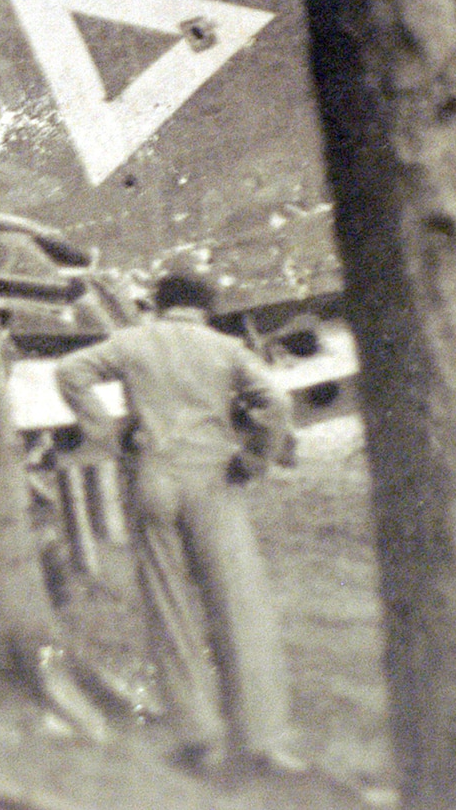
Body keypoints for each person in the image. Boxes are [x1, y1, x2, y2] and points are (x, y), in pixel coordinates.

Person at [54, 267, 302, 776]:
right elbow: (275, 401)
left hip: (154, 477)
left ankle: (199, 737)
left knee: (170, 608)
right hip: (213, 477)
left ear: (158, 303)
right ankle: (261, 738)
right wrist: (255, 458)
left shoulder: (131, 341)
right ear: (205, 306)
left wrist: (107, 432)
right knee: (238, 606)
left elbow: (70, 372)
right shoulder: (225, 348)